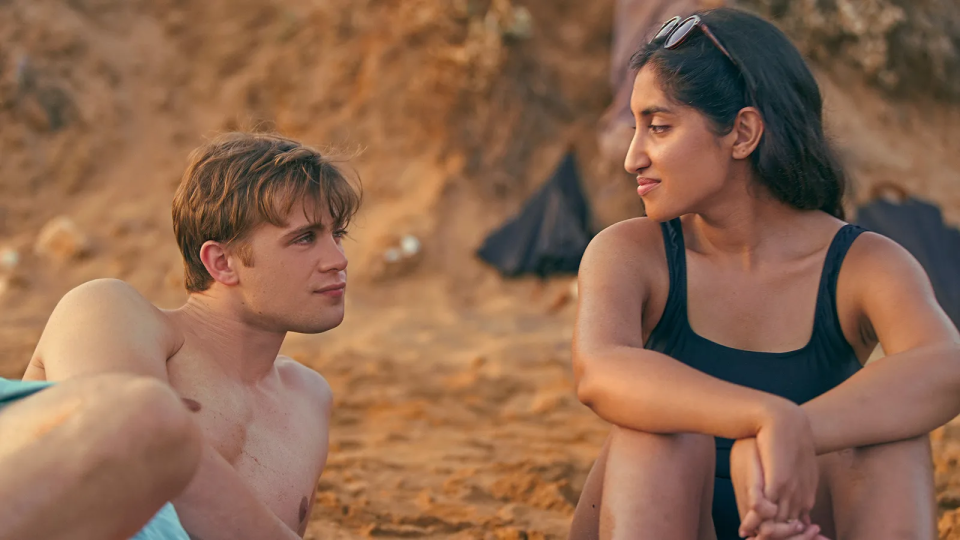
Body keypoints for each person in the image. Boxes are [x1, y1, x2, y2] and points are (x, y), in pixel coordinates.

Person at [569, 8, 960, 540]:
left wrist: (797, 432)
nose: (633, 157)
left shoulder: (860, 265)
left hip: (798, 521)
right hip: (663, 514)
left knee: (888, 440)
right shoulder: (631, 253)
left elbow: (944, 364)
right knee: (659, 434)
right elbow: (600, 370)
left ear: (743, 132)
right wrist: (763, 416)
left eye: (658, 127)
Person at [4, 131, 361, 539]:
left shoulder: (309, 398)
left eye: (338, 234)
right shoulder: (111, 311)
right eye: (304, 238)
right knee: (146, 415)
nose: (339, 259)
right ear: (222, 262)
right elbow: (127, 457)